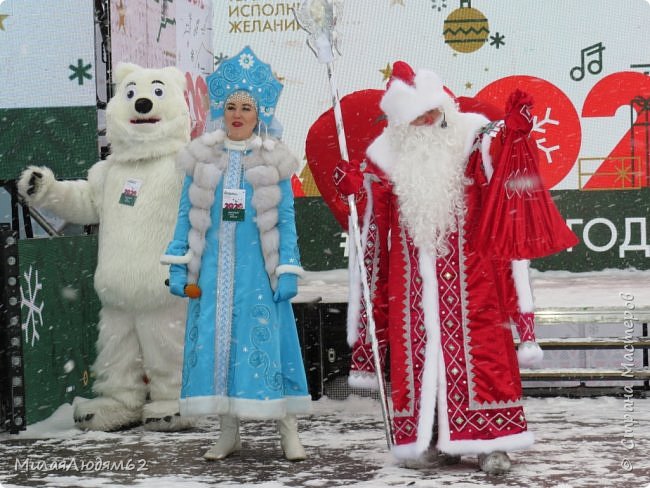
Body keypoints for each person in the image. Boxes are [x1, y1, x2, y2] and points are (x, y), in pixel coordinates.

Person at [329, 61, 578, 474]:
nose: (428, 122)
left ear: (445, 109)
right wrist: (355, 191)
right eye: (417, 117)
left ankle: (493, 444)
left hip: (475, 276)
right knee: (419, 362)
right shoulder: (387, 161)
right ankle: (430, 439)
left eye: (433, 113)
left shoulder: (472, 141)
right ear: (402, 124)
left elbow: (502, 161)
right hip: (409, 284)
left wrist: (517, 132)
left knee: (485, 357)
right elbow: (375, 229)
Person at [161, 46, 311, 461]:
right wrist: (179, 265)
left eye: (246, 106)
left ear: (259, 112)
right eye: (231, 106)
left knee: (267, 345)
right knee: (219, 348)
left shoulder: (272, 161)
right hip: (211, 273)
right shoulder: (203, 159)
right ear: (221, 111)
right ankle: (229, 432)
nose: (238, 113)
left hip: (257, 275)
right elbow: (184, 217)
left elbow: (285, 220)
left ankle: (287, 429)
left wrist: (287, 269)